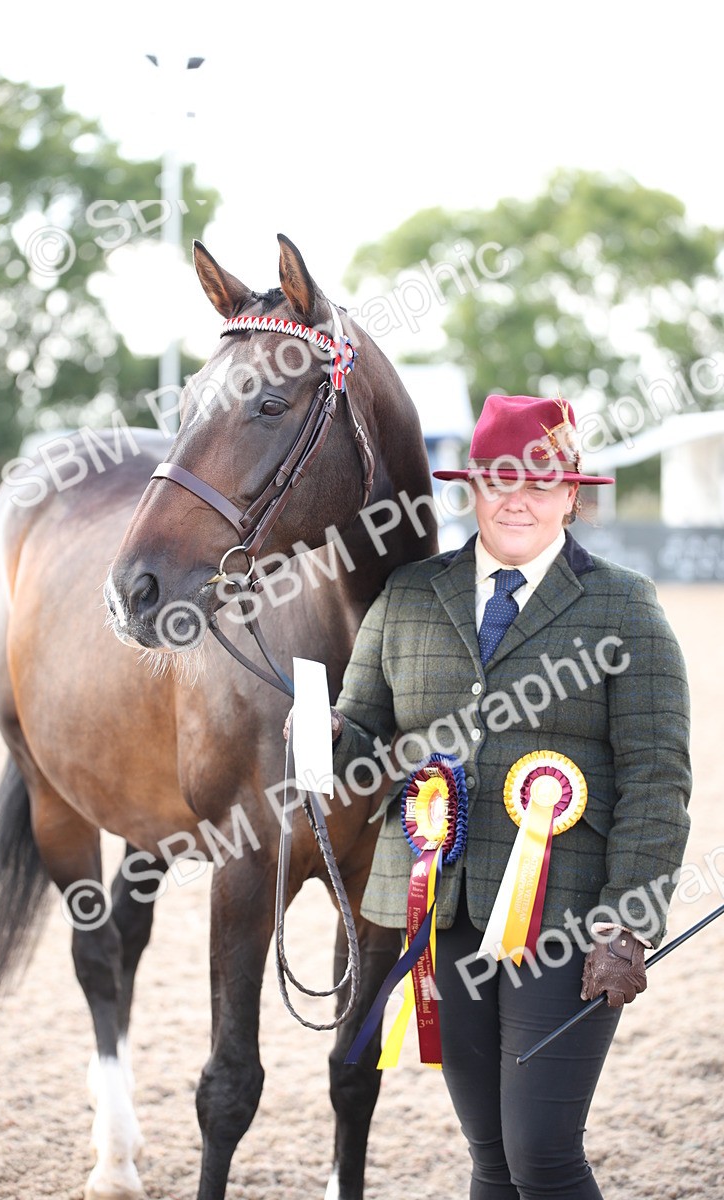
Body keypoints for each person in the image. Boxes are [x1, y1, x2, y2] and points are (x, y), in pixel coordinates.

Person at [326, 394, 692, 1199]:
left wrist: (628, 921)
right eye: (497, 479)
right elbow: (360, 730)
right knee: (489, 1156)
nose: (516, 496)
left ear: (571, 494)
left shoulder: (625, 607)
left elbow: (658, 778)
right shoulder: (410, 594)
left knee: (544, 1156)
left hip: (569, 926)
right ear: (475, 489)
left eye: (539, 480)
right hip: (442, 915)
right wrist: (319, 738)